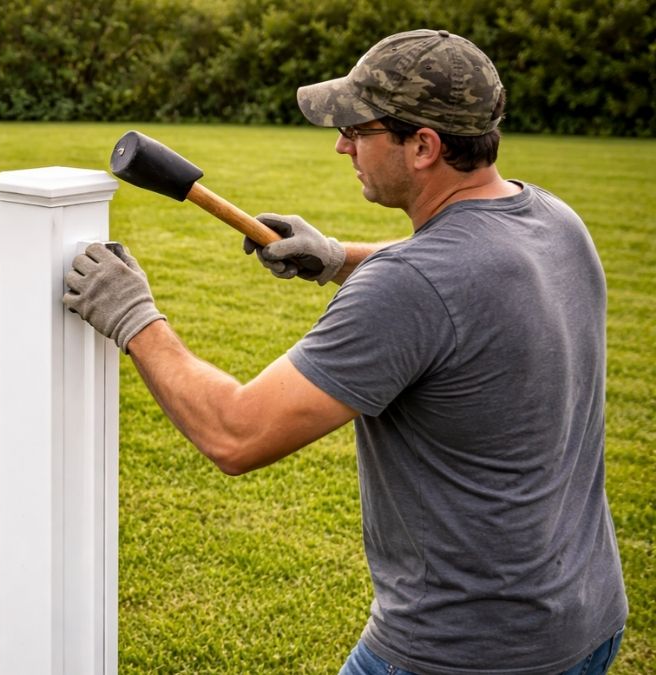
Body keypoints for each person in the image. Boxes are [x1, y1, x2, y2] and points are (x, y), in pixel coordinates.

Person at [64, 29, 626, 675]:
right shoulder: (551, 219)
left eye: (357, 128)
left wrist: (134, 316)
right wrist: (338, 257)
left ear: (423, 146)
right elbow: (451, 266)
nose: (341, 144)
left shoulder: (412, 286)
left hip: (462, 652)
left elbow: (236, 433)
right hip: (584, 622)